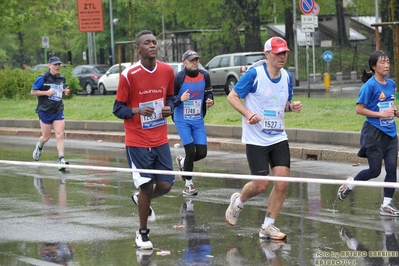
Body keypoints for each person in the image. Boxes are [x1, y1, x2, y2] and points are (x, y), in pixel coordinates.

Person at [225, 36, 302, 241]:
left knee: (282, 183)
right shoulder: (254, 75)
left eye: (284, 52)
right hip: (256, 139)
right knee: (260, 185)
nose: (282, 56)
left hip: (278, 137)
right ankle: (239, 201)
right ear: (266, 53)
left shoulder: (287, 76)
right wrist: (248, 113)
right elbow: (232, 97)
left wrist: (291, 107)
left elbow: (283, 103)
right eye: (277, 53)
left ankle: (268, 226)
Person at [112, 30, 175, 250]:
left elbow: (172, 97)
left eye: (154, 42)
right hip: (137, 140)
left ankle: (140, 199)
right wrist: (138, 110)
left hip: (160, 137)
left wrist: (170, 108)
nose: (152, 46)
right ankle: (142, 233)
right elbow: (117, 109)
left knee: (166, 185)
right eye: (147, 43)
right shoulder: (129, 74)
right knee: (147, 186)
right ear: (138, 49)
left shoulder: (167, 70)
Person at [337, 50, 399, 216]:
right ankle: (350, 184)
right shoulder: (369, 86)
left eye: (388, 62)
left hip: (391, 133)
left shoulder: (392, 84)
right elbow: (359, 109)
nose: (387, 65)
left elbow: (388, 105)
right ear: (373, 66)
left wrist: (395, 112)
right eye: (382, 62)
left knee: (392, 168)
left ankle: (386, 204)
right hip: (373, 133)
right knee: (375, 171)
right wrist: (381, 115)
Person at [173, 50, 214, 196]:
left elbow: (209, 92)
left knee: (201, 153)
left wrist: (210, 100)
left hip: (197, 119)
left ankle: (183, 162)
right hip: (181, 119)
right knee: (190, 151)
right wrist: (180, 99)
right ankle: (188, 185)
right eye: (191, 60)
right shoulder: (178, 78)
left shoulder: (205, 75)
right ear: (184, 62)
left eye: (196, 59)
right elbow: (170, 101)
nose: (195, 62)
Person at [31, 56, 70, 171]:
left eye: (59, 64)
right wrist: (46, 92)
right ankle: (39, 147)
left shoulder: (62, 78)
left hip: (58, 110)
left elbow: (61, 89)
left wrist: (65, 91)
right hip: (45, 110)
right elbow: (33, 91)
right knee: (46, 137)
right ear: (49, 65)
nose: (57, 66)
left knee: (60, 134)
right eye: (55, 64)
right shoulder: (42, 78)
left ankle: (61, 159)